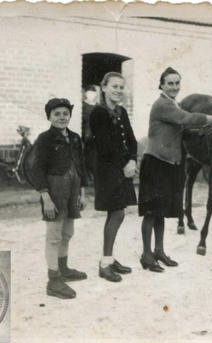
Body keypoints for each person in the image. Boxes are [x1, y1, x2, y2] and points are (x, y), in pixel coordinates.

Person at [138, 67, 212, 272]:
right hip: (156, 163)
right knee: (151, 212)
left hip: (169, 164)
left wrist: (201, 132)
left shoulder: (172, 104)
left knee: (161, 212)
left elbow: (184, 133)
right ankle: (146, 254)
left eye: (177, 83)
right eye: (170, 83)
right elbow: (187, 119)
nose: (174, 87)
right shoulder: (162, 105)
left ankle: (159, 251)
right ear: (161, 85)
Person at [31, 98, 88, 300]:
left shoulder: (75, 138)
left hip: (73, 189)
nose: (62, 117)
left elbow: (81, 164)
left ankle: (63, 269)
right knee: (54, 235)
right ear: (49, 116)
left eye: (65, 113)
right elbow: (35, 169)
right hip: (54, 191)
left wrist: (82, 192)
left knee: (68, 232)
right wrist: (45, 197)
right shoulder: (45, 139)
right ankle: (53, 280)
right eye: (57, 114)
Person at [90, 72, 138, 283]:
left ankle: (109, 259)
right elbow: (105, 146)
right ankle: (105, 264)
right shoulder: (98, 113)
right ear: (104, 87)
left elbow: (132, 140)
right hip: (108, 171)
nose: (118, 91)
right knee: (117, 214)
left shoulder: (122, 112)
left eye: (121, 87)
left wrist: (133, 161)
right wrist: (124, 165)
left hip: (123, 169)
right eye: (114, 87)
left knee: (117, 213)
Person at [82, 85, 97, 183]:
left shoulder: (98, 106)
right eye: (89, 94)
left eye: (93, 94)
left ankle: (94, 174)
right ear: (86, 94)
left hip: (96, 134)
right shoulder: (83, 105)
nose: (91, 96)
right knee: (87, 154)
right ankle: (88, 174)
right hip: (87, 134)